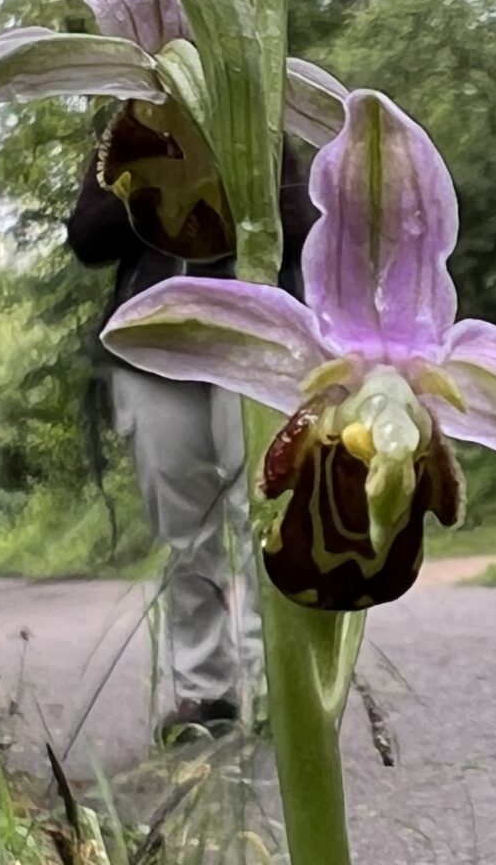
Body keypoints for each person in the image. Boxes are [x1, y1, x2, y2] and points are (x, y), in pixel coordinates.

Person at [66, 136, 316, 737]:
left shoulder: (259, 111)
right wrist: (149, 177)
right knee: (183, 535)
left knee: (263, 518)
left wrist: (232, 171)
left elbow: (302, 224)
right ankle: (206, 693)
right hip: (151, 351)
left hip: (254, 344)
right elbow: (88, 239)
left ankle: (276, 688)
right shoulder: (124, 133)